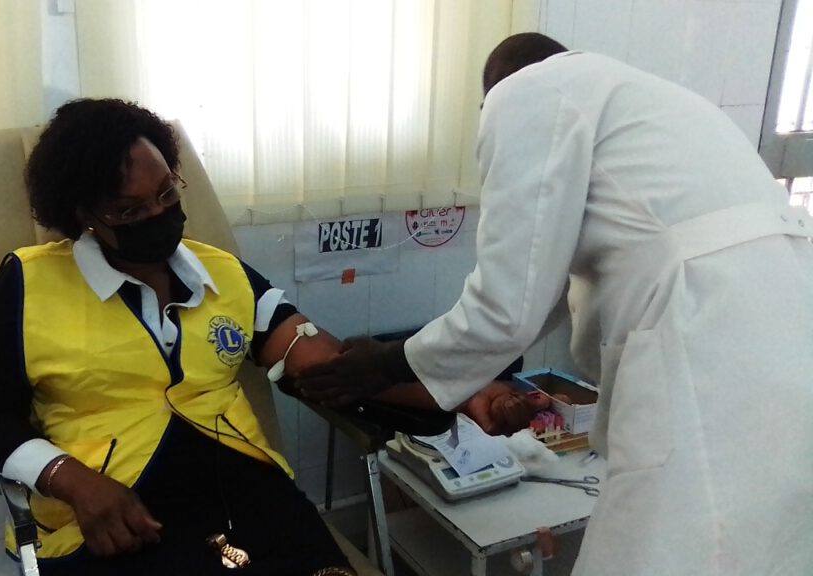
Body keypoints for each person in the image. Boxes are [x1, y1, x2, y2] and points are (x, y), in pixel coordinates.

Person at [296, 33, 813, 575]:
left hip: (706, 345)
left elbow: (506, 308)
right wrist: (459, 375)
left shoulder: (521, 94)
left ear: (492, 98)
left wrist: (382, 363)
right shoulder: (650, 101)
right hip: (785, 329)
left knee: (664, 548)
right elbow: (536, 297)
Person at [0, 98, 359, 576]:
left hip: (245, 491)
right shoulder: (27, 286)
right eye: (129, 209)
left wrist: (398, 369)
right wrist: (73, 481)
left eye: (167, 193)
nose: (157, 213)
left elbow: (309, 351)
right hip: (112, 512)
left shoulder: (222, 271)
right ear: (84, 214)